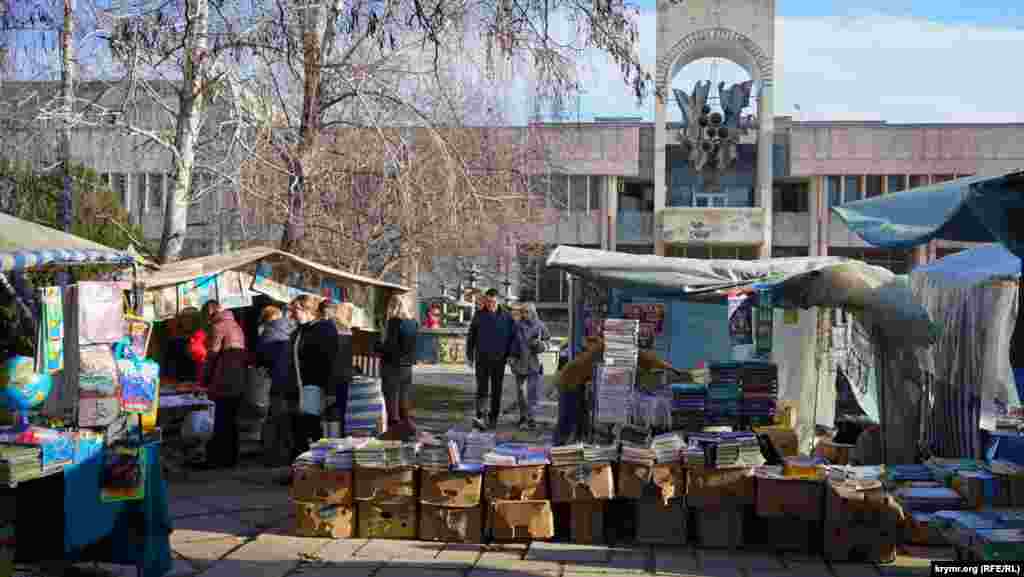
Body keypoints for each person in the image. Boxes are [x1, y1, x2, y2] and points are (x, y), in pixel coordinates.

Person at [288, 295, 338, 459]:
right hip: (300, 386)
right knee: (301, 430)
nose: (292, 315)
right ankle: (303, 468)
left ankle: (314, 468)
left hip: (314, 386)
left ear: (306, 310)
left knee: (311, 430)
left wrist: (329, 390)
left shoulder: (323, 329)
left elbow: (329, 361)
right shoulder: (301, 330)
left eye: (295, 310)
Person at [204, 300, 248, 468]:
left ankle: (218, 459)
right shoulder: (235, 325)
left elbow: (212, 355)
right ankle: (230, 458)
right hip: (237, 379)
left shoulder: (219, 326)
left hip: (223, 379)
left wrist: (204, 380)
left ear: (211, 312)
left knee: (221, 420)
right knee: (231, 420)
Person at [466, 288, 517, 430]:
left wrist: (511, 355)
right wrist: (470, 356)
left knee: (496, 389)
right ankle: (480, 416)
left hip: (499, 359)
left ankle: (493, 417)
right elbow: (471, 336)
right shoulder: (479, 315)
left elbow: (513, 338)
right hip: (481, 358)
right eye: (487, 301)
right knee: (481, 388)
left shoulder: (507, 316)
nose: (490, 304)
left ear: (498, 300)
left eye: (492, 302)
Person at [255, 305, 295, 468]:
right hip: (295, 381)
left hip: (278, 381)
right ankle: (287, 455)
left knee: (277, 419)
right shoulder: (293, 328)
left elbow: (262, 359)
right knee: (290, 420)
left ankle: (275, 456)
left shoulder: (268, 333)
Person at [377, 294, 419, 438]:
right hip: (407, 368)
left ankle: (394, 436)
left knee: (392, 406)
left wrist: (378, 346)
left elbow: (391, 348)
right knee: (404, 403)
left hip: (392, 367)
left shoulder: (394, 322)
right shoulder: (413, 323)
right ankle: (406, 435)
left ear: (393, 307)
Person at [510, 302, 550, 430]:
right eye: (522, 312)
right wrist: (510, 357)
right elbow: (511, 342)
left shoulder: (540, 326)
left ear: (533, 312)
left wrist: (541, 345)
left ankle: (531, 418)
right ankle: (523, 416)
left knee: (532, 392)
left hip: (534, 364)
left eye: (526, 312)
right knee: (521, 391)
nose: (524, 314)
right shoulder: (516, 325)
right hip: (519, 363)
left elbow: (548, 341)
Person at [322, 301, 355, 432]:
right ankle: (340, 437)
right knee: (341, 410)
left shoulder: (328, 327)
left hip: (332, 376)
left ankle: (330, 440)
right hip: (344, 376)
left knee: (330, 411)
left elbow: (327, 356)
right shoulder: (346, 328)